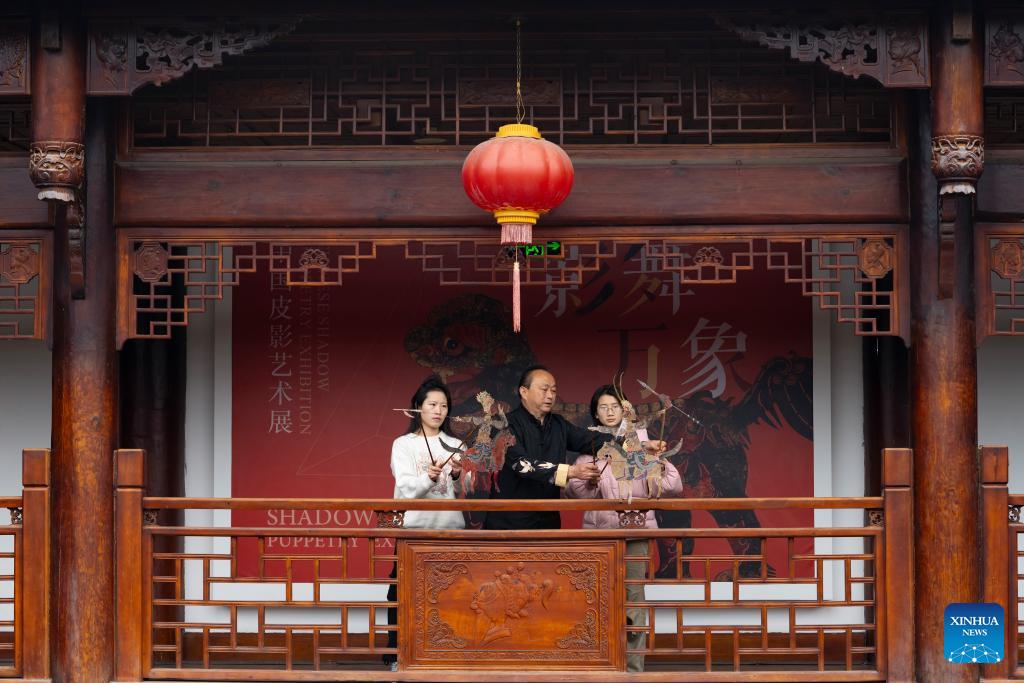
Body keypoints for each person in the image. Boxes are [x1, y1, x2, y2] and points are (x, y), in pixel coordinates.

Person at [565, 385, 682, 672]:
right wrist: (589, 480)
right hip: (600, 536)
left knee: (633, 602)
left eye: (615, 406)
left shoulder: (644, 444)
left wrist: (657, 462)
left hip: (634, 534)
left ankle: (633, 669)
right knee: (596, 601)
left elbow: (672, 486)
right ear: (595, 413)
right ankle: (601, 665)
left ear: (625, 409)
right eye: (603, 407)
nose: (609, 412)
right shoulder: (590, 446)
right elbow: (574, 493)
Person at [483, 365, 664, 530]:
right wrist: (571, 471)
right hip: (508, 523)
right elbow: (522, 464)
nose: (550, 395)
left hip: (547, 523)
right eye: (544, 389)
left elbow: (591, 440)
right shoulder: (503, 425)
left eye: (554, 390)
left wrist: (640, 445)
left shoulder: (558, 424)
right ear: (524, 391)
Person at [383, 376, 465, 671]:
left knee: (450, 593)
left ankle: (445, 652)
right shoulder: (403, 444)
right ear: (418, 407)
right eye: (432, 404)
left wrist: (458, 474)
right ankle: (397, 655)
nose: (438, 411)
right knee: (403, 593)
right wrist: (428, 477)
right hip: (413, 530)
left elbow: (465, 490)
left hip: (449, 529)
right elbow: (406, 488)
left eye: (444, 406)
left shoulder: (456, 444)